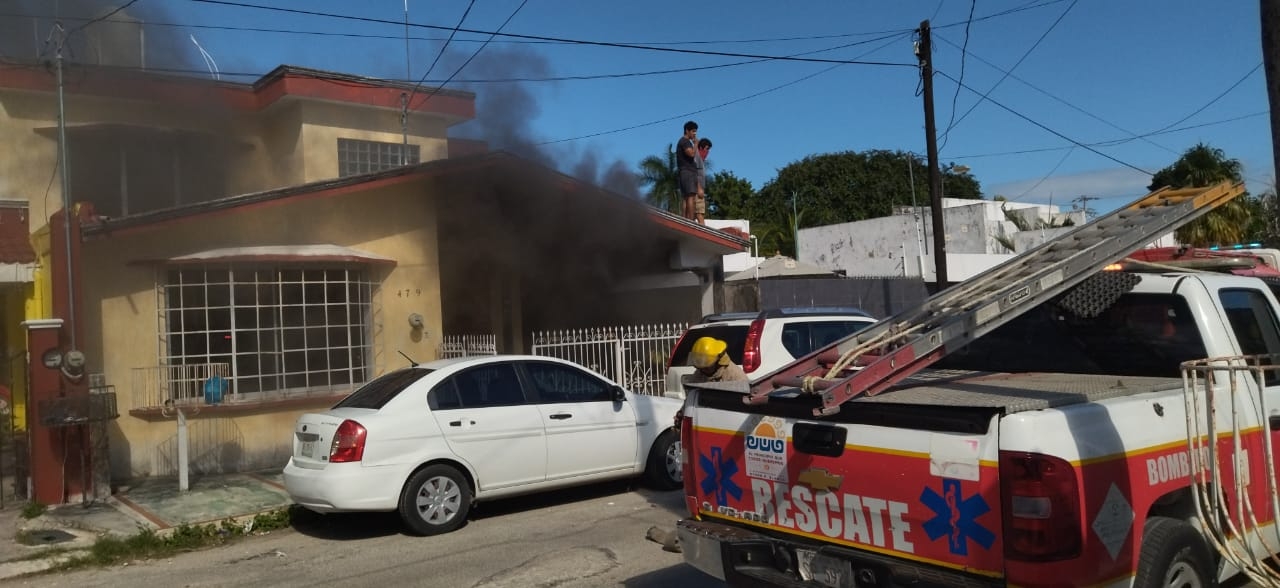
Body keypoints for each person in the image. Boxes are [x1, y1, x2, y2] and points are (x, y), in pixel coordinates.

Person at [676, 121, 700, 221]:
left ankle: (685, 220)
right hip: (688, 172)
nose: (695, 134)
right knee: (690, 196)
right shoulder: (684, 142)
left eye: (696, 132)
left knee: (687, 197)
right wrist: (696, 144)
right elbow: (691, 154)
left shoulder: (684, 141)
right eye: (693, 131)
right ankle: (690, 221)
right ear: (687, 131)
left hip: (685, 172)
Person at [694, 137, 713, 225]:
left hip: (697, 189)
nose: (708, 152)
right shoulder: (697, 157)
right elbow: (693, 173)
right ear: (701, 148)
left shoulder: (700, 159)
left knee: (694, 215)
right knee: (699, 213)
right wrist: (699, 188)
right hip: (697, 190)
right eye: (707, 149)